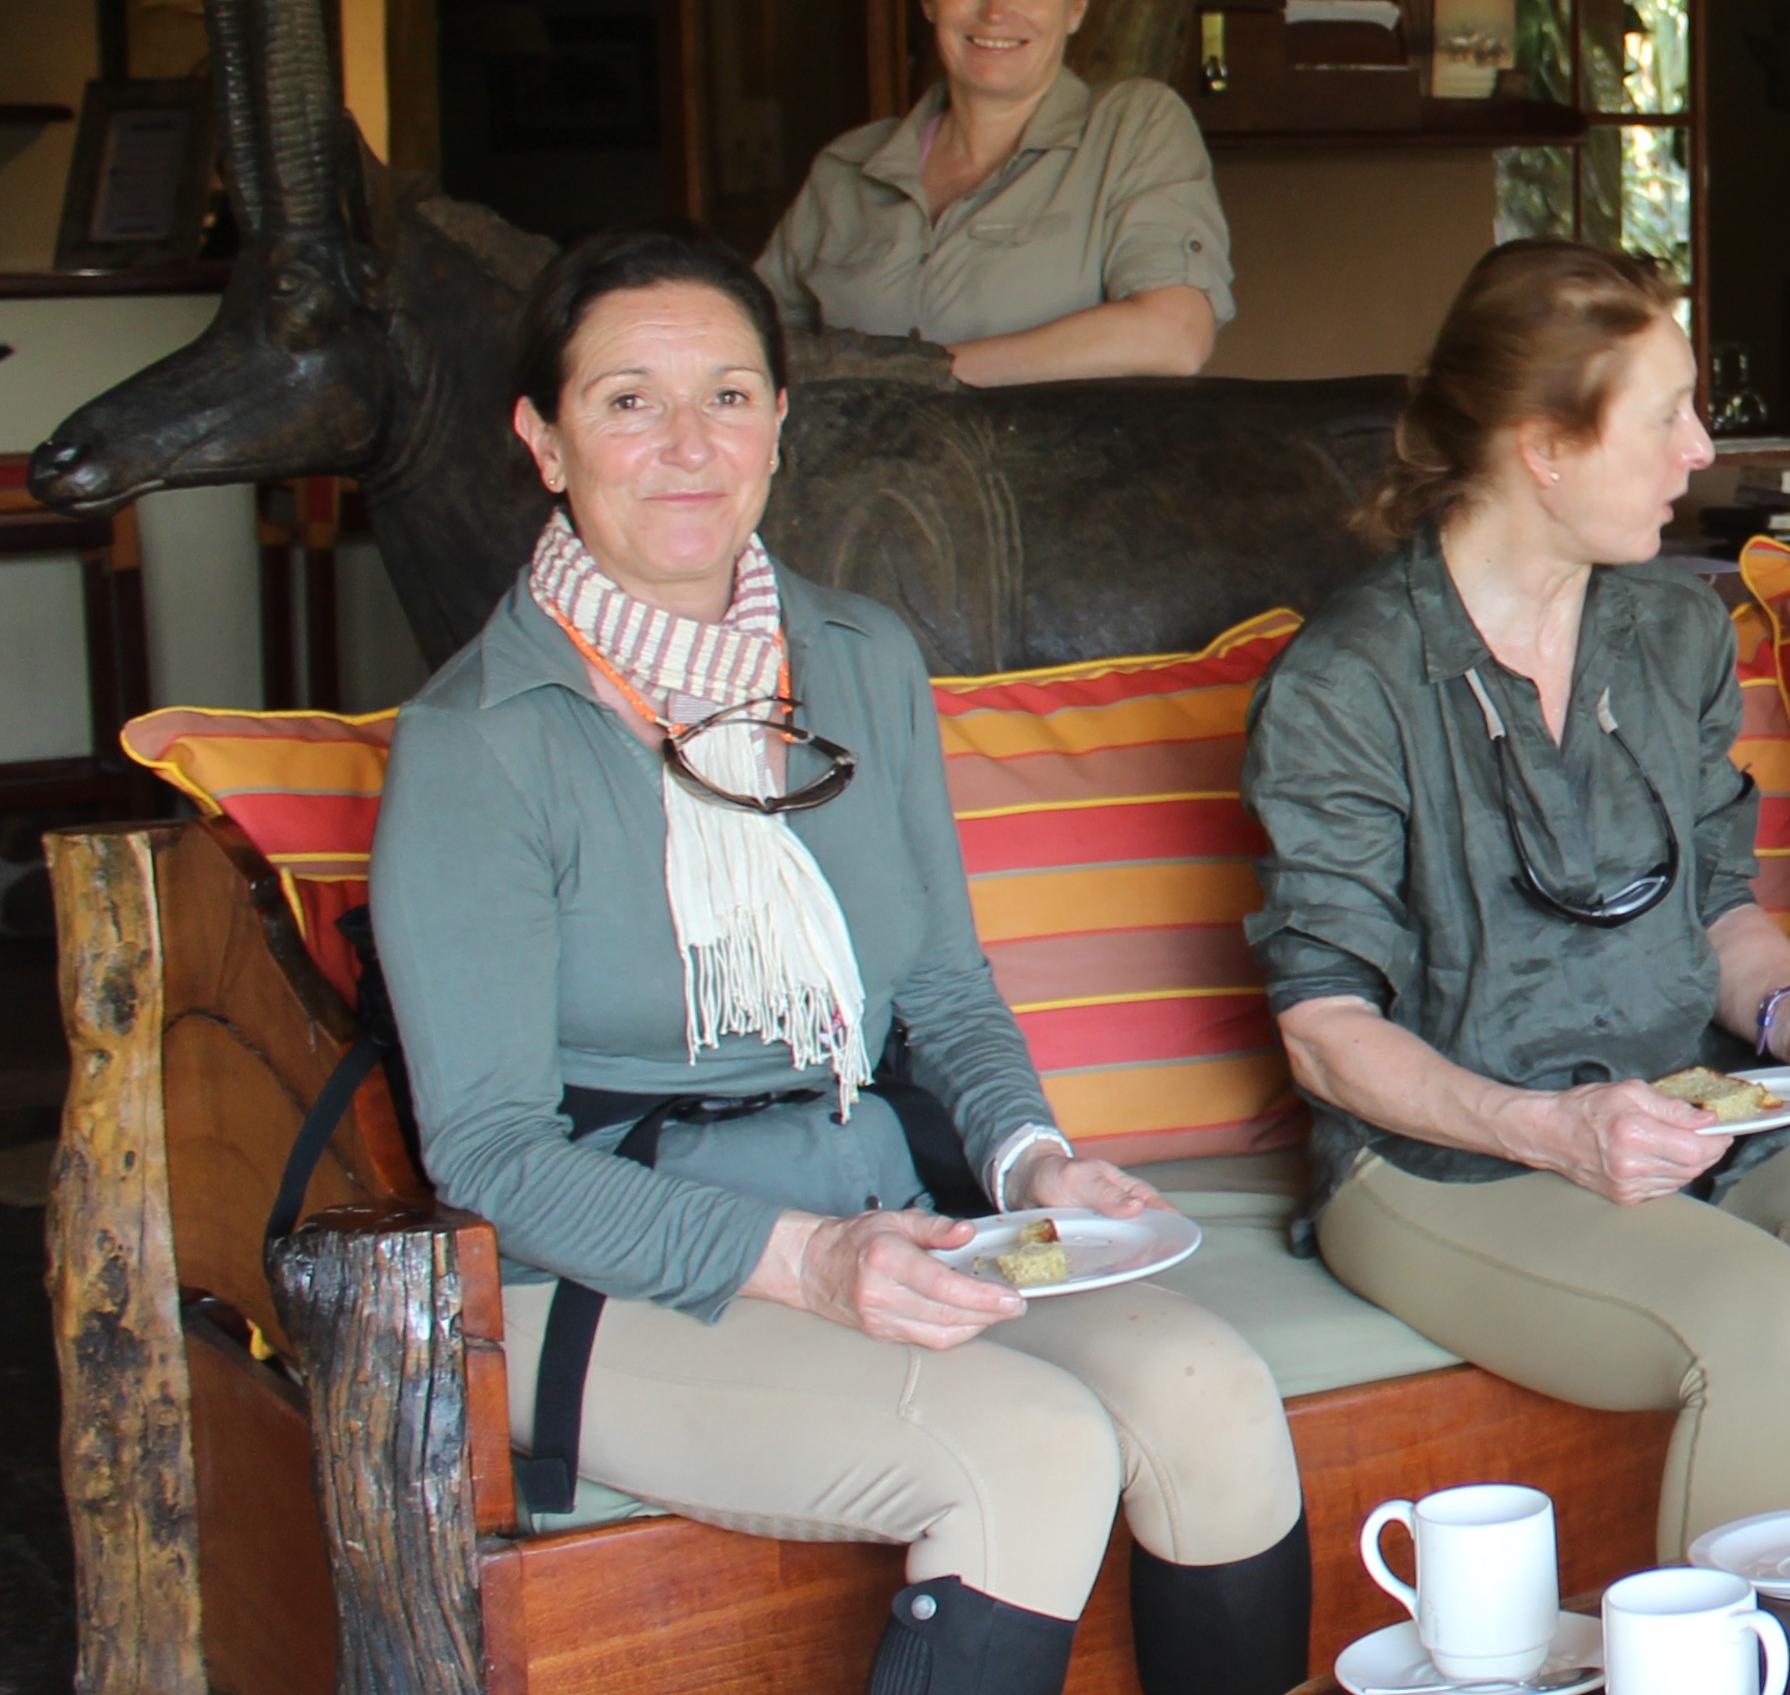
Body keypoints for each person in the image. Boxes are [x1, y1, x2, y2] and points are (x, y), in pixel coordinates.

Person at [372, 228, 1308, 1695]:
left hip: (883, 1204)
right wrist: (803, 1262)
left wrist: (1032, 1165)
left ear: (778, 425)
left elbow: (941, 987)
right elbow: (489, 1155)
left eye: (728, 396)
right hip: (619, 1270)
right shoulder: (478, 740)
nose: (688, 444)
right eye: (628, 402)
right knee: (1026, 1449)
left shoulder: (860, 656)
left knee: (1214, 1389)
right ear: (543, 442)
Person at [1246, 238, 1790, 1559]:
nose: (1699, 450)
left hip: (1688, 1104)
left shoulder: (1672, 630)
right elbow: (1324, 1029)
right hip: (1447, 1157)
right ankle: (1738, 1652)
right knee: (1770, 1324)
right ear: (1545, 447)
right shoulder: (1346, 682)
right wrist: (1549, 1128)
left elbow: (1715, 902)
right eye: (1664, 416)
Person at [758, 0, 1232, 383]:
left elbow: (1173, 335)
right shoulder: (847, 169)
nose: (996, 10)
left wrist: (919, 374)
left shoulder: (1132, 128)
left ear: (1078, 2)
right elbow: (744, 349)